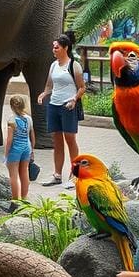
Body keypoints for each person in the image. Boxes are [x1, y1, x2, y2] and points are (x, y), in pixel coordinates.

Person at [36, 32, 86, 186]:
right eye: (53, 47)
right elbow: (50, 85)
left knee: (70, 139)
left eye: (56, 47)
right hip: (54, 106)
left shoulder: (74, 65)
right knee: (56, 141)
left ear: (65, 48)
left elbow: (82, 87)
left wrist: (74, 99)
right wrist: (44, 94)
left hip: (68, 107)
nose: (54, 50)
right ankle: (57, 175)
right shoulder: (53, 65)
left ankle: (75, 175)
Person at [4, 95, 35, 203]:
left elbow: (9, 139)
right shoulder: (29, 118)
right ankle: (24, 197)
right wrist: (32, 150)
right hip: (27, 147)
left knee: (13, 175)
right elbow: (32, 136)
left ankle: (15, 199)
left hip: (15, 149)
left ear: (12, 106)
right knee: (24, 172)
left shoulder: (12, 120)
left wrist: (6, 153)